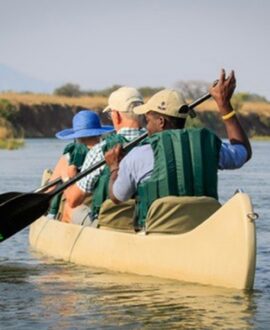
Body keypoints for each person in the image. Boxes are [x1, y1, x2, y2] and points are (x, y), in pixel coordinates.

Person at [104, 69, 252, 229]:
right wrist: (224, 106)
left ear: (161, 121)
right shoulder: (209, 148)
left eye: (148, 120)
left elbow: (117, 197)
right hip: (202, 233)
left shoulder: (138, 155)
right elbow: (243, 151)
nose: (146, 127)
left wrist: (114, 167)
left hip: (158, 235)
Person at [63, 86, 145, 222]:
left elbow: (73, 200)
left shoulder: (100, 150)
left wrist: (67, 178)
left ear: (116, 116)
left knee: (68, 208)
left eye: (110, 114)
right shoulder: (154, 143)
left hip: (109, 223)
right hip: (145, 220)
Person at [47, 110, 114, 222]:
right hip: (105, 207)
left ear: (77, 137)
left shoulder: (69, 157)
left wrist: (66, 178)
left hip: (80, 204)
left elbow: (50, 189)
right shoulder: (110, 151)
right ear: (99, 133)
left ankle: (52, 216)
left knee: (67, 206)